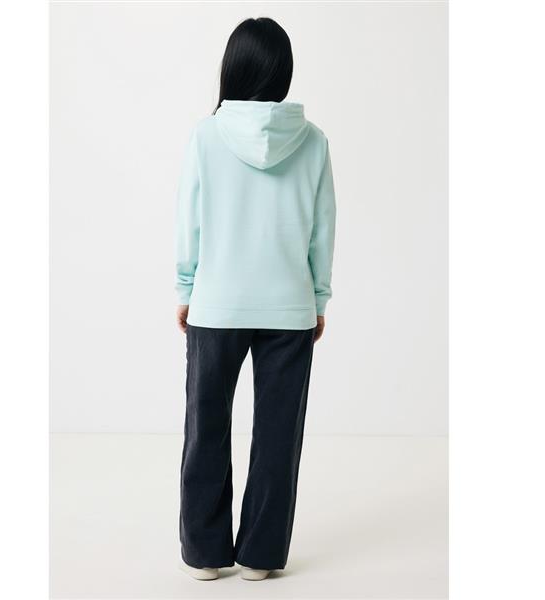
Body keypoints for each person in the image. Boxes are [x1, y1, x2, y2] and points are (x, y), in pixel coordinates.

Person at [175, 17, 336, 581]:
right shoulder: (313, 141)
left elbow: (190, 221)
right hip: (289, 306)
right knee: (277, 437)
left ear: (233, 67)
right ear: (283, 71)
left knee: (205, 428)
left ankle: (204, 553)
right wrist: (318, 299)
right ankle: (260, 558)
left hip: (216, 304)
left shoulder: (206, 135)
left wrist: (186, 288)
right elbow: (322, 231)